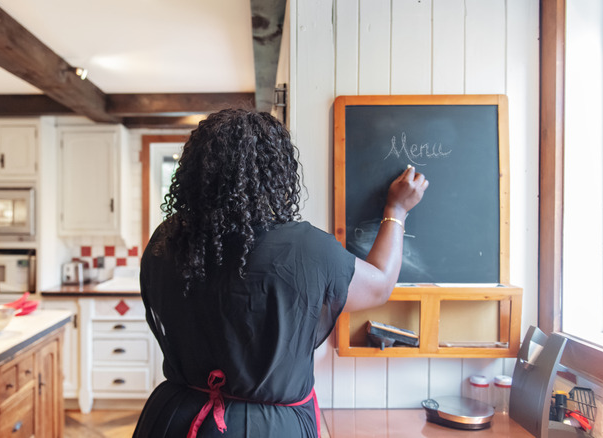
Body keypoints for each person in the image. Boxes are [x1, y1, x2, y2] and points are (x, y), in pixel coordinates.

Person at [134, 109, 429, 437]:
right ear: (277, 172)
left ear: (196, 173)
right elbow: (379, 285)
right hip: (267, 428)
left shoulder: (166, 239)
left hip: (174, 418)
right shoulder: (305, 249)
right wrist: (397, 211)